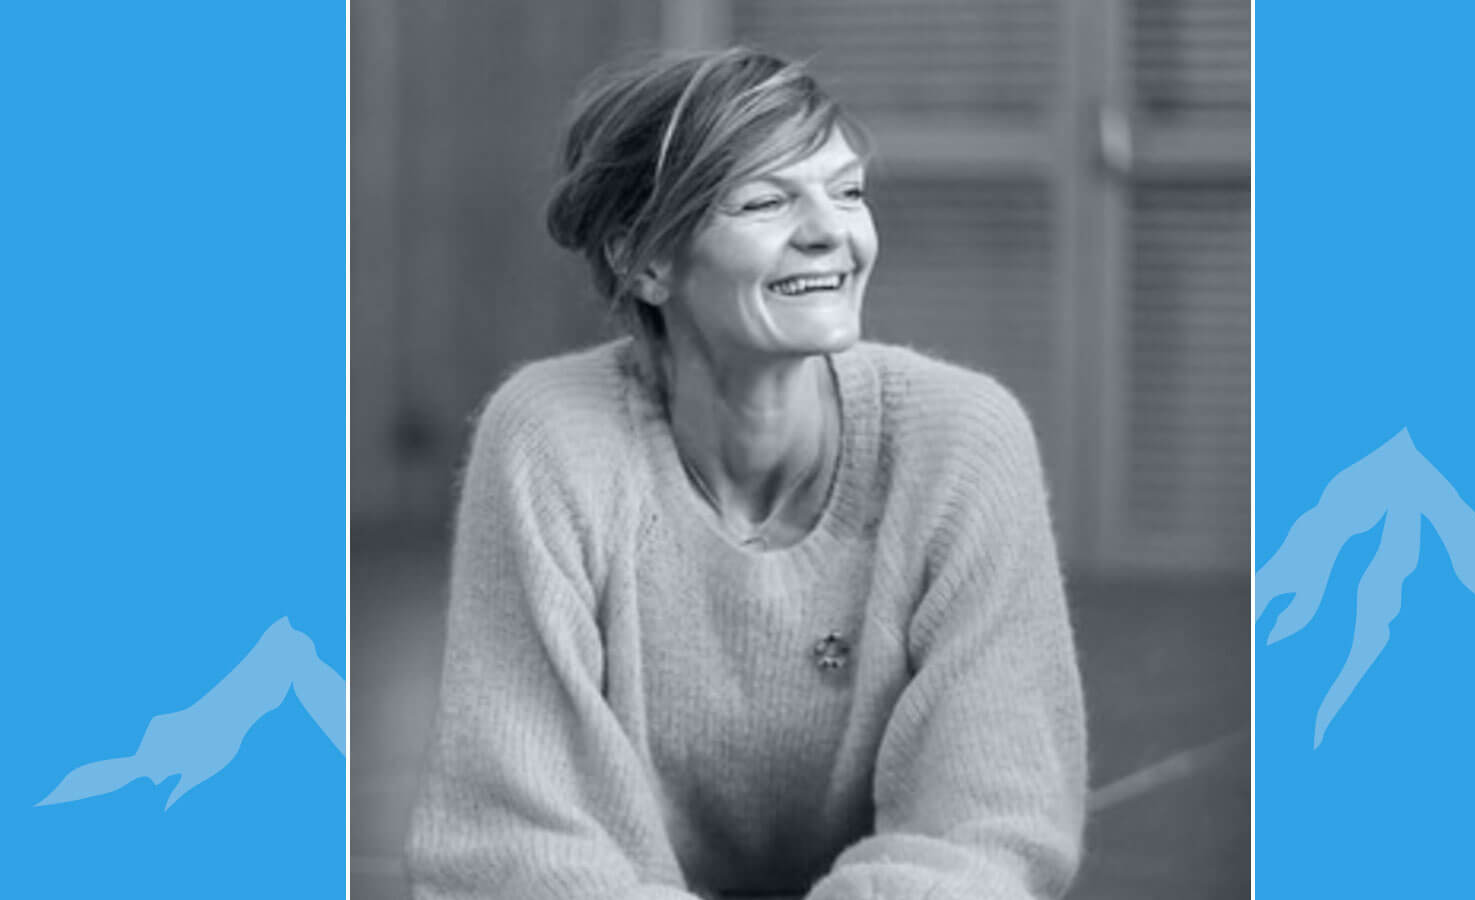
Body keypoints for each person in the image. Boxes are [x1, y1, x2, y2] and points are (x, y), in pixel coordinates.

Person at [406, 47, 1088, 900]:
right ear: (643, 260)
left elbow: (989, 826)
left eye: (847, 192)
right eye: (765, 201)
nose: (831, 231)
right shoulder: (548, 438)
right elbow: (513, 838)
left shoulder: (964, 441)